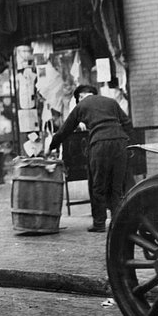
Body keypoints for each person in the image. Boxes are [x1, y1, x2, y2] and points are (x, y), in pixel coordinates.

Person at [47, 84, 133, 232]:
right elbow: (127, 122)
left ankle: (99, 224)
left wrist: (52, 145)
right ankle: (117, 222)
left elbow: (65, 129)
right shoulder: (110, 101)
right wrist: (129, 142)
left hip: (99, 144)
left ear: (80, 97)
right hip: (120, 142)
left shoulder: (82, 106)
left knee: (98, 185)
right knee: (116, 186)